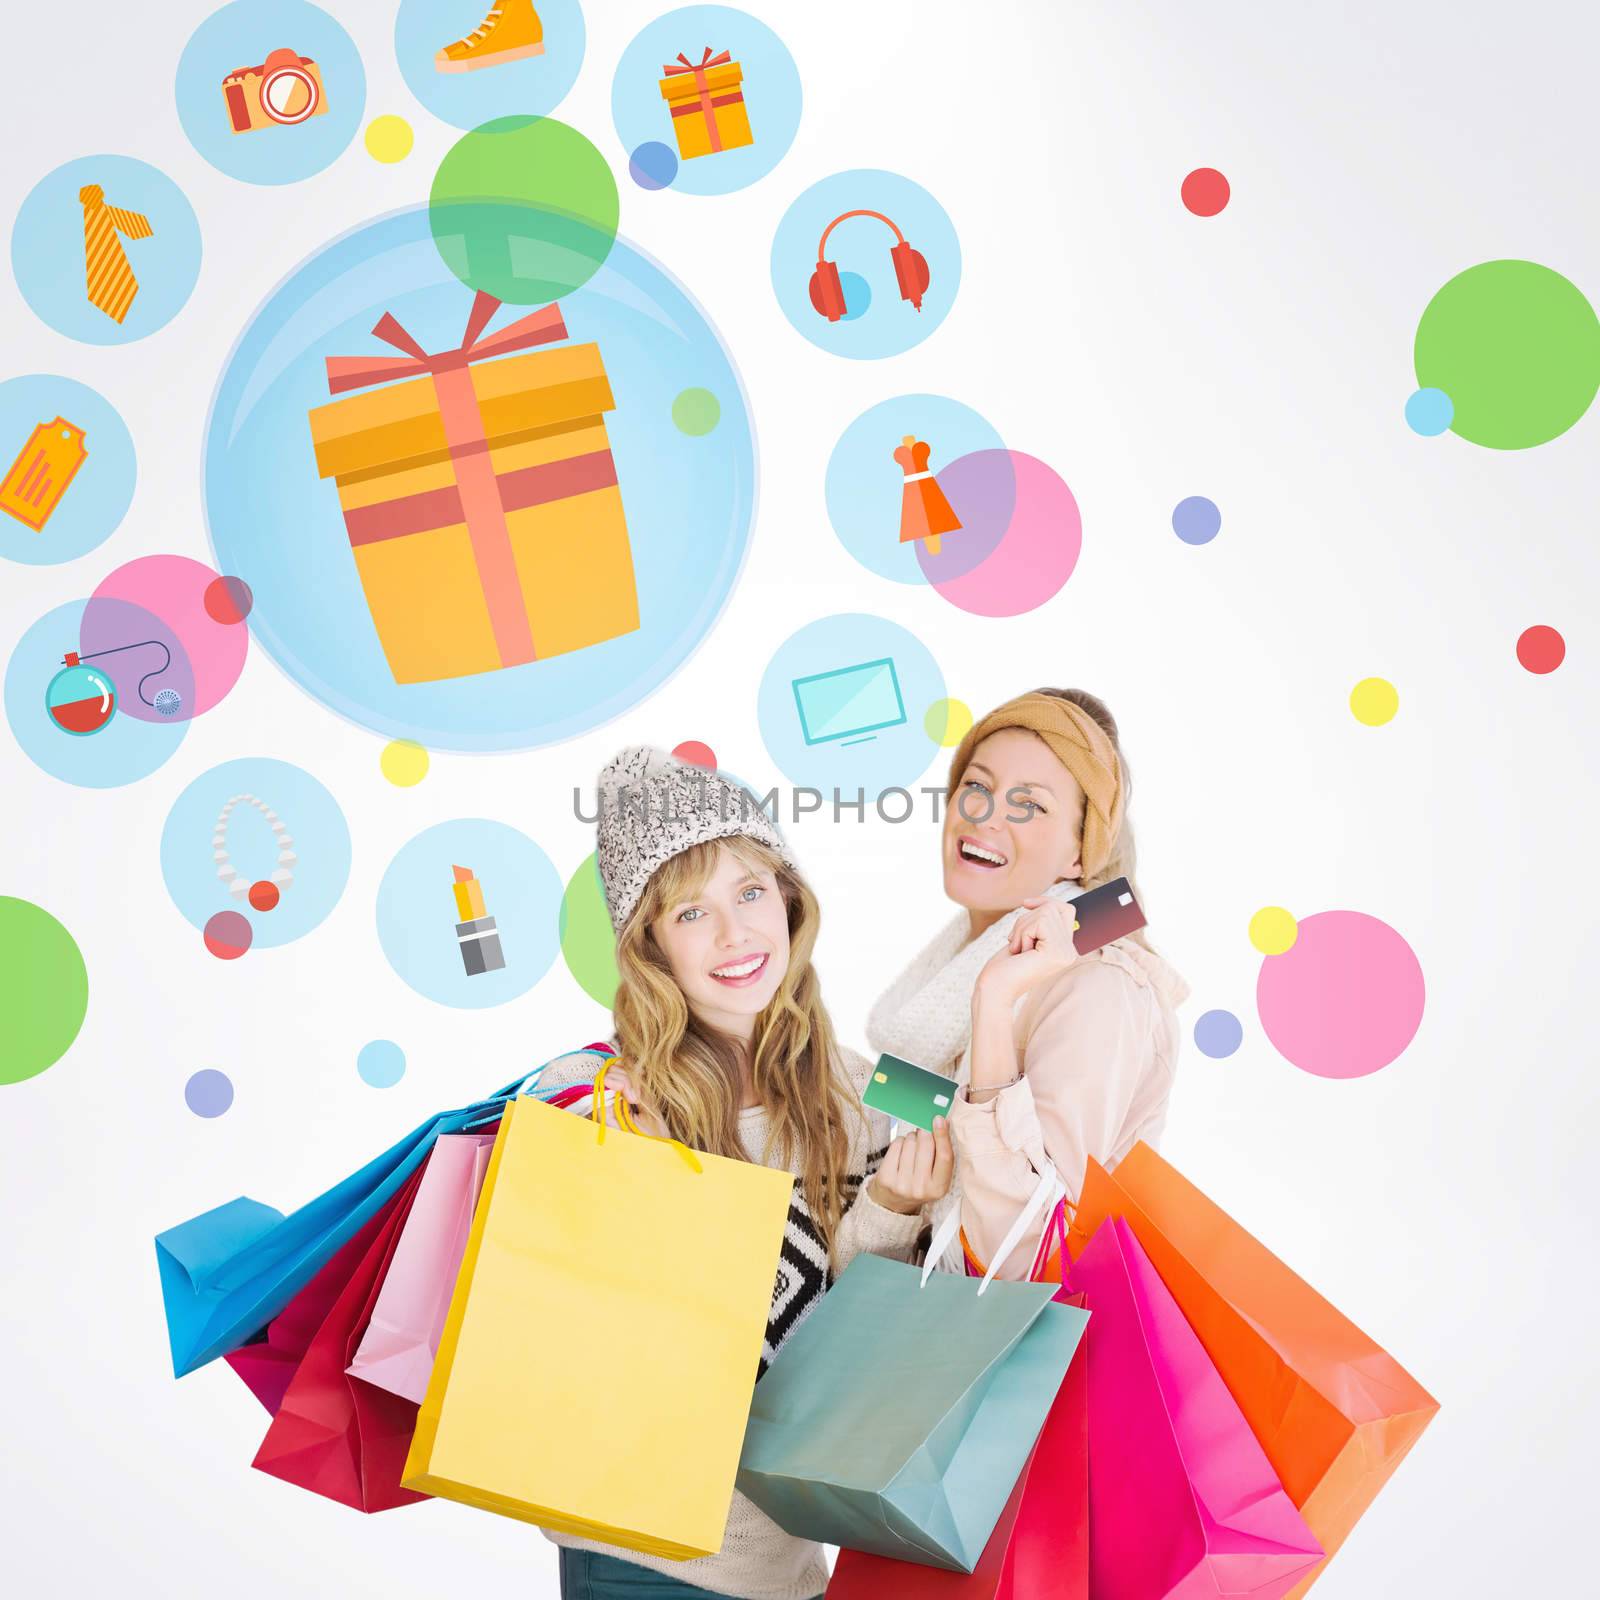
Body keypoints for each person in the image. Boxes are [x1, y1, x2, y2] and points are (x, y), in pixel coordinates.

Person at [536, 746, 954, 1600]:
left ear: (792, 902)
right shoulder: (593, 1095)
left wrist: (890, 1208)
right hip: (637, 1560)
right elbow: (697, 1347)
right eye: (690, 913)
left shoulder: (870, 1081)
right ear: (646, 943)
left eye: (751, 892)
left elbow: (995, 1110)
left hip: (798, 1565)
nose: (735, 936)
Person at [868, 688, 1190, 1281]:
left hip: (1027, 1357)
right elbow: (930, 1120)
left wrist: (994, 1002)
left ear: (1079, 853)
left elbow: (1031, 1253)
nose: (987, 816)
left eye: (1032, 806)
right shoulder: (948, 974)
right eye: (977, 787)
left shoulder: (1098, 987)